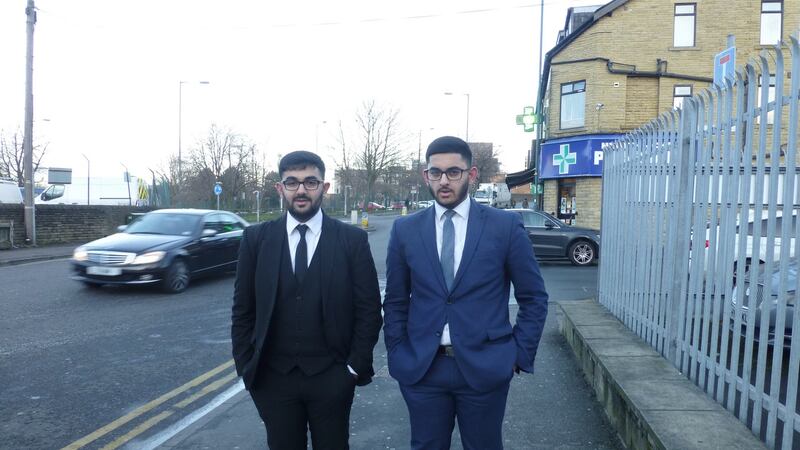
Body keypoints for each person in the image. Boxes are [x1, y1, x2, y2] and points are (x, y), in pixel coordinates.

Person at [383, 136, 549, 450]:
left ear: (471, 175)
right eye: (436, 172)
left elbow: (534, 297)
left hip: (486, 366)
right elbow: (395, 299)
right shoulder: (405, 229)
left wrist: (517, 355)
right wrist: (397, 352)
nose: (444, 180)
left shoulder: (504, 227)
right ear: (426, 175)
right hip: (423, 368)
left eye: (453, 172)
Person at [231, 150, 383, 449]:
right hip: (273, 379)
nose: (301, 190)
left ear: (324, 188)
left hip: (333, 376)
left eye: (310, 182)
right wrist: (247, 366)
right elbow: (243, 310)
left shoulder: (351, 240)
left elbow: (368, 309)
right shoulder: (256, 240)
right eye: (292, 182)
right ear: (281, 188)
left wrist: (353, 367)